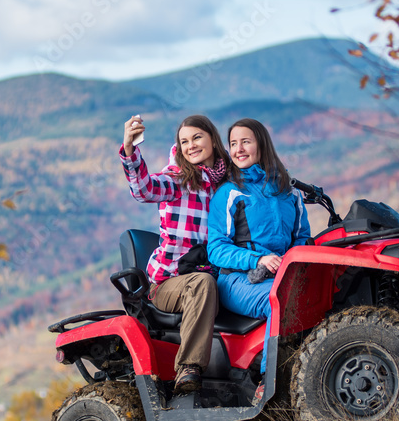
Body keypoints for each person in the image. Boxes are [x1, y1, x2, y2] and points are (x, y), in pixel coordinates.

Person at [120, 114, 233, 393]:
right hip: (169, 282)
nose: (191, 146)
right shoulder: (179, 179)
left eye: (196, 138)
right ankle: (188, 368)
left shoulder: (227, 184)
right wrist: (130, 150)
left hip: (215, 275)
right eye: (184, 141)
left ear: (213, 140)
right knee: (201, 283)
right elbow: (144, 189)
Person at [206, 118, 311, 374]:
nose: (238, 149)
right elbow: (216, 249)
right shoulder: (229, 193)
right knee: (279, 300)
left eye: (245, 142)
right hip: (237, 280)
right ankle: (271, 380)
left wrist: (292, 261)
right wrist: (257, 260)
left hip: (282, 275)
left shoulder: (290, 193)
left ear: (261, 145)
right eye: (233, 144)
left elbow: (303, 239)